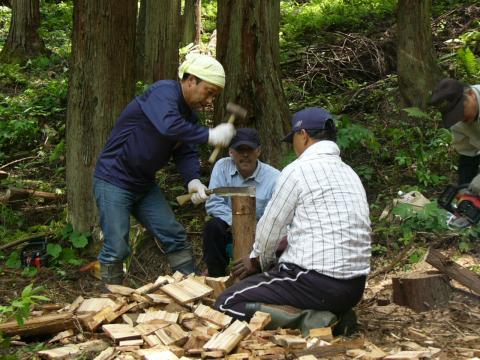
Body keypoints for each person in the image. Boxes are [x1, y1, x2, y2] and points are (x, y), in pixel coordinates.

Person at [214, 107, 371, 326]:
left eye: (294, 139)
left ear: (303, 135)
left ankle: (310, 321)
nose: (295, 146)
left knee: (226, 302)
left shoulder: (298, 170)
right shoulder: (349, 173)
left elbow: (271, 228)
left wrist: (257, 262)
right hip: (354, 288)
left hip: (314, 281)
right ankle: (336, 315)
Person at [93, 53, 236, 286]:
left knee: (175, 236)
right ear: (191, 80)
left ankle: (191, 291)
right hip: (114, 180)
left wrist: (193, 180)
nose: (210, 101)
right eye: (208, 92)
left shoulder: (189, 115)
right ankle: (110, 301)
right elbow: (169, 126)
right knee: (117, 246)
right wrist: (209, 135)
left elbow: (185, 150)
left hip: (143, 184)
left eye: (214, 96)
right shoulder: (163, 93)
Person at [203, 128, 280, 277]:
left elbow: (277, 216)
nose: (245, 155)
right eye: (240, 150)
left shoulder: (274, 177)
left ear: (258, 151)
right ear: (231, 152)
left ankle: (258, 278)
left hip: (260, 232)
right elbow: (213, 204)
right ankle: (217, 277)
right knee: (213, 227)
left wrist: (255, 229)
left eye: (249, 150)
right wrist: (238, 224)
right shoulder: (222, 167)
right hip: (229, 226)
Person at [430, 78, 480, 190]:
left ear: (471, 94)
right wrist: (463, 189)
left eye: (461, 111)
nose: (460, 118)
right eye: (454, 115)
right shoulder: (457, 124)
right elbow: (468, 155)